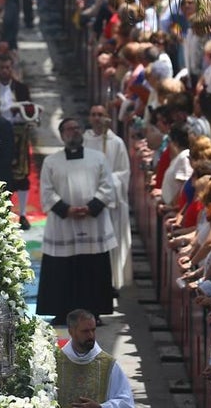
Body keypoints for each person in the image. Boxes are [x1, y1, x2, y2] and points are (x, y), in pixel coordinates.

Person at [38, 118, 117, 325]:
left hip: (93, 222)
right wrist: (67, 209)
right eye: (69, 129)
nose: (74, 132)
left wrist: (91, 207)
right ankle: (61, 310)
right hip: (64, 224)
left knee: (92, 268)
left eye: (77, 128)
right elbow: (46, 191)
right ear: (62, 134)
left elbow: (107, 186)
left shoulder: (98, 158)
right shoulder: (51, 162)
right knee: (62, 269)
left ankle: (94, 312)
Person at [0, 54, 35, 229]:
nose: (5, 71)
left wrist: (18, 110)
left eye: (8, 67)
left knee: (21, 173)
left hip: (18, 133)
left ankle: (22, 214)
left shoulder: (21, 88)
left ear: (12, 68)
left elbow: (29, 110)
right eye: (2, 67)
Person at [84, 104, 132, 288]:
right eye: (93, 114)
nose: (97, 118)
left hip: (111, 203)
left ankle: (111, 282)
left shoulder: (116, 143)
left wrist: (106, 180)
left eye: (100, 115)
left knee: (111, 243)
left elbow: (124, 173)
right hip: (90, 201)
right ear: (89, 118)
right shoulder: (85, 141)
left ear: (107, 117)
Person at [55, 309, 134, 407]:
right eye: (85, 331)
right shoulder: (56, 362)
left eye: (93, 330)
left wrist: (101, 407)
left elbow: (126, 402)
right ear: (71, 332)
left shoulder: (109, 365)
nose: (91, 335)